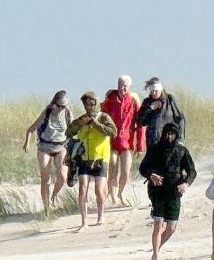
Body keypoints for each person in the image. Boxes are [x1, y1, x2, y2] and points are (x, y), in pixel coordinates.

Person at [138, 122, 197, 260]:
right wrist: (151, 175)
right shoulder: (154, 149)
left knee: (171, 227)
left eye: (172, 134)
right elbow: (142, 168)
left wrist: (186, 183)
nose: (169, 136)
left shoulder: (182, 150)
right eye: (167, 133)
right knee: (158, 223)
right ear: (163, 133)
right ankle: (156, 255)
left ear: (176, 135)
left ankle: (157, 248)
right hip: (157, 190)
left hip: (174, 191)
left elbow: (192, 171)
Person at [66, 91, 118, 230]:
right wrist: (78, 124)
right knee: (82, 189)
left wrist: (96, 124)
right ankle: (84, 221)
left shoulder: (104, 117)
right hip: (84, 158)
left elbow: (113, 132)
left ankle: (101, 216)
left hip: (101, 158)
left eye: (91, 104)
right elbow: (69, 132)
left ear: (96, 103)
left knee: (99, 190)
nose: (88, 107)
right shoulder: (81, 119)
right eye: (86, 104)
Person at [23, 90, 73, 215]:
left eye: (64, 106)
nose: (62, 108)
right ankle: (47, 208)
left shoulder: (67, 113)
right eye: (60, 106)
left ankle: (53, 196)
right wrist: (27, 143)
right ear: (54, 104)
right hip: (44, 146)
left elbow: (73, 131)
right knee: (45, 177)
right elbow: (30, 129)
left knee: (62, 176)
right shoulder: (47, 113)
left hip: (61, 146)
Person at [102, 75, 146, 207]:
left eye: (125, 85)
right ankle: (113, 196)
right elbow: (101, 118)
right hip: (112, 141)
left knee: (126, 171)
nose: (122, 87)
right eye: (120, 84)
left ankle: (120, 193)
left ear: (129, 87)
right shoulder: (110, 99)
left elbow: (140, 125)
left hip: (127, 142)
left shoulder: (134, 101)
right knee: (113, 166)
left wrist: (140, 146)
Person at [136, 77, 185, 148]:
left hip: (169, 140)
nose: (153, 93)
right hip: (152, 142)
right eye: (152, 91)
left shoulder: (170, 99)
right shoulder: (147, 102)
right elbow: (140, 122)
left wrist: (180, 139)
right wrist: (149, 109)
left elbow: (180, 119)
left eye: (155, 91)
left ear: (160, 89)